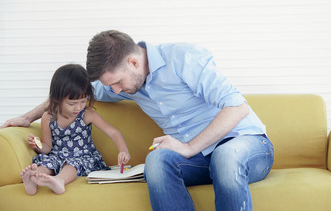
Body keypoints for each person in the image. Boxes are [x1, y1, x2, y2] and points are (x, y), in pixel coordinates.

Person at [1, 30, 274, 210]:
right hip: (200, 159)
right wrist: (27, 117)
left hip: (245, 145)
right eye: (112, 86)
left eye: (117, 83)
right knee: (156, 161)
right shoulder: (127, 83)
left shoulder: (183, 57)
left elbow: (237, 107)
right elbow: (69, 96)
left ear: (133, 63)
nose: (116, 92)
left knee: (225, 157)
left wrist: (188, 147)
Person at [19, 64, 130, 195]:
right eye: (71, 104)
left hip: (83, 157)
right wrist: (37, 145)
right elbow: (47, 147)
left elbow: (113, 132)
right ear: (56, 99)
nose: (78, 108)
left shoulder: (87, 114)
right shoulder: (48, 117)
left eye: (83, 101)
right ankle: (33, 179)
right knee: (46, 163)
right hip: (58, 156)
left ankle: (59, 180)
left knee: (72, 164)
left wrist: (123, 150)